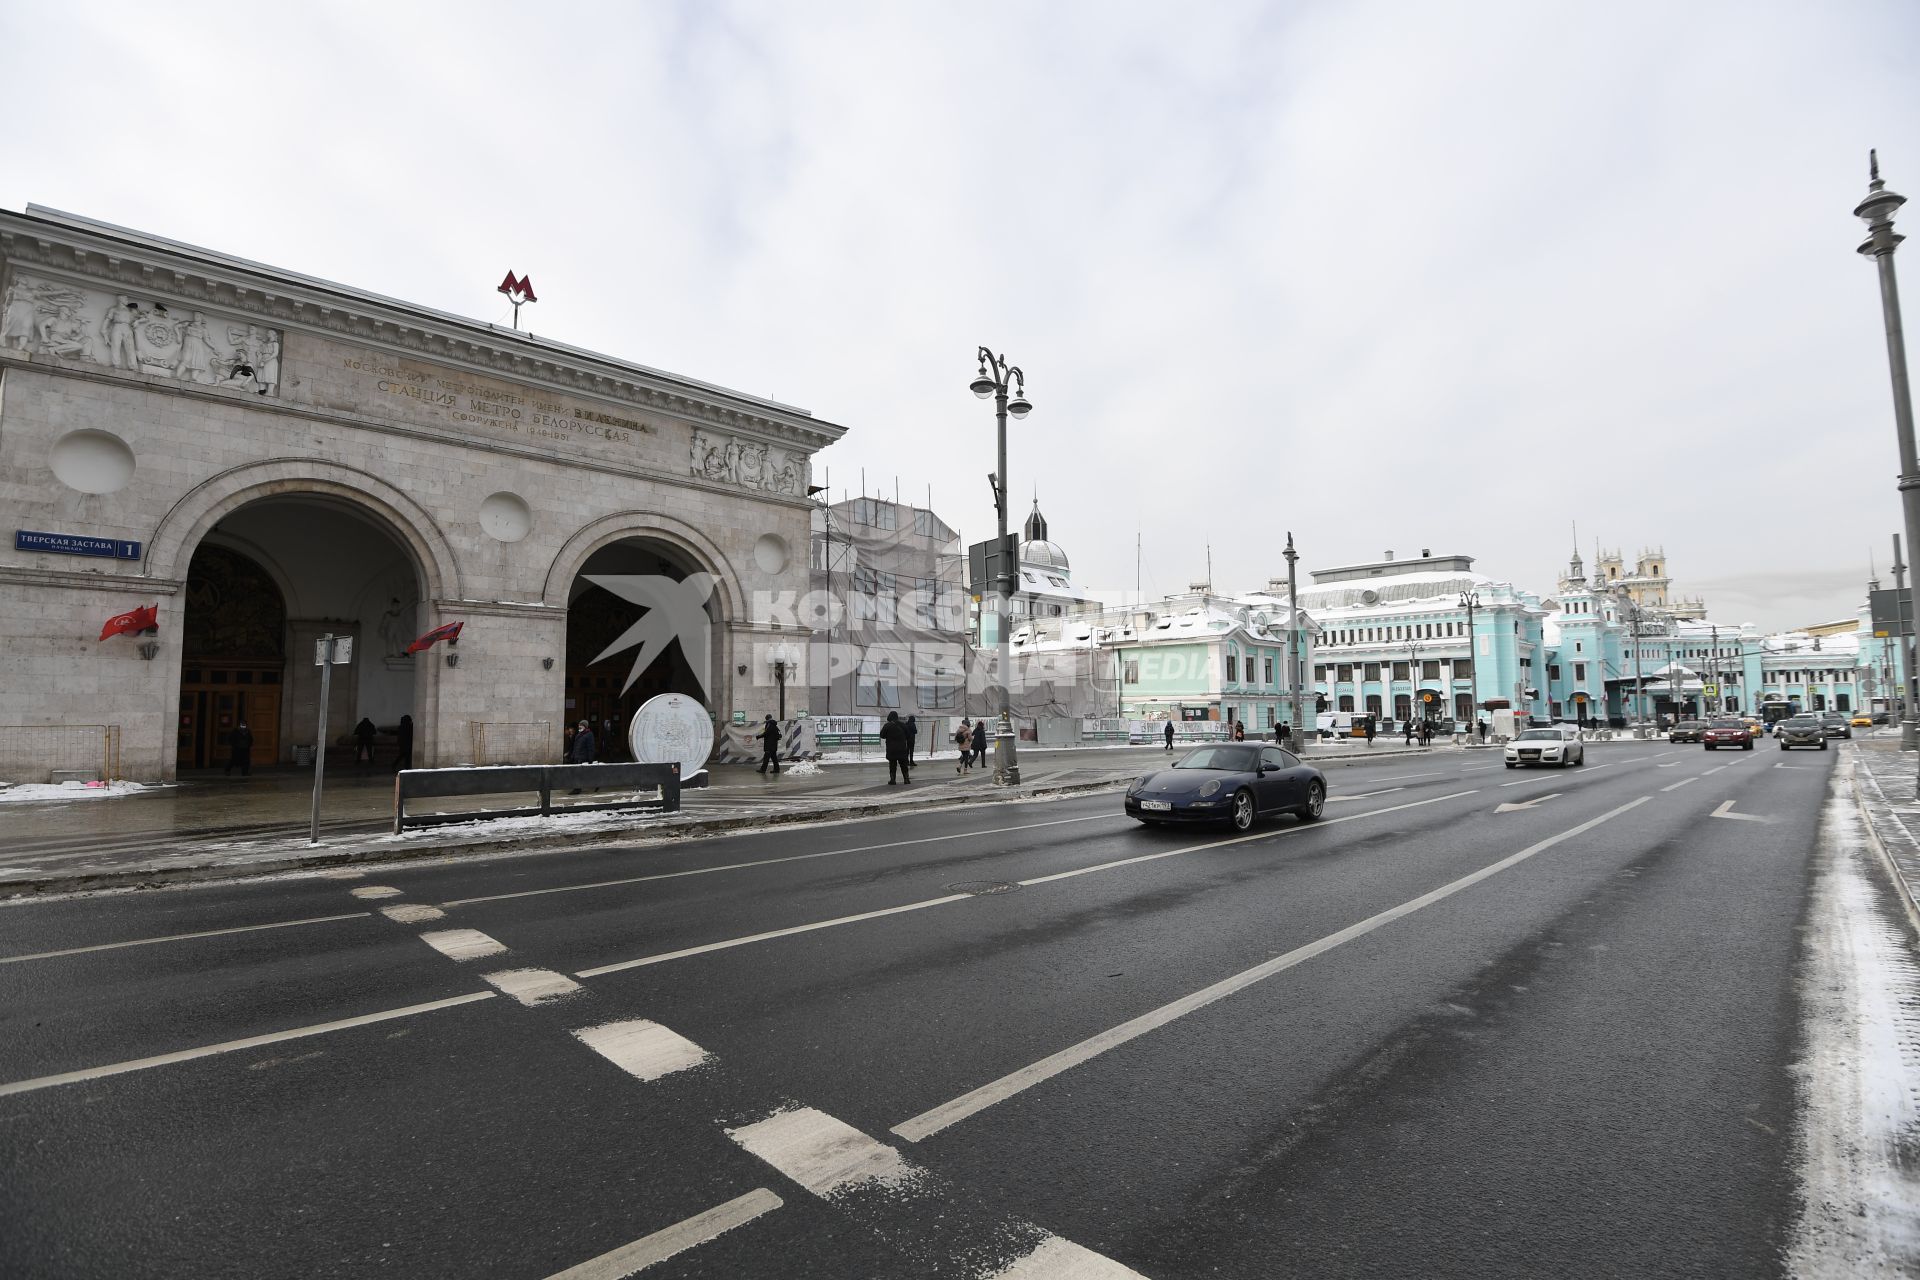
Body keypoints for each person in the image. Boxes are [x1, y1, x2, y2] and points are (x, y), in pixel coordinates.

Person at [564, 717, 595, 794]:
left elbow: (591, 748)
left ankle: (577, 789)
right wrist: (572, 756)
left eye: (581, 725)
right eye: (579, 725)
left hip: (583, 758)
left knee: (579, 774)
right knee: (578, 774)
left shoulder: (589, 735)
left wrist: (590, 759)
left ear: (585, 726)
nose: (579, 727)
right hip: (577, 758)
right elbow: (575, 746)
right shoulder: (579, 735)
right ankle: (578, 788)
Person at [881, 710, 910, 785]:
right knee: (903, 765)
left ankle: (893, 780)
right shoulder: (903, 725)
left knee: (892, 765)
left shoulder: (887, 725)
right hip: (902, 748)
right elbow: (908, 735)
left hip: (892, 749)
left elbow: (882, 735)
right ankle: (906, 779)